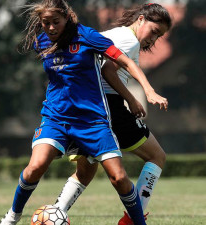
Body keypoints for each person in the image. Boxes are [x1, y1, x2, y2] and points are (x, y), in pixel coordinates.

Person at [0, 0, 157, 224]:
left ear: (67, 19)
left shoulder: (86, 36)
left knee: (119, 178)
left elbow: (125, 61)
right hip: (56, 117)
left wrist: (147, 90)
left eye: (55, 22)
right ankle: (12, 218)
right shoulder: (41, 41)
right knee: (35, 167)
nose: (51, 28)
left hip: (92, 121)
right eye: (46, 23)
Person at [53, 3, 172, 225]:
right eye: (154, 32)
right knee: (157, 156)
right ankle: (132, 219)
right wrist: (132, 98)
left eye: (159, 37)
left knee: (86, 170)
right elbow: (108, 70)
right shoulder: (129, 39)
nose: (153, 40)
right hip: (109, 106)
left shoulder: (112, 34)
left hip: (84, 106)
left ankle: (54, 214)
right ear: (141, 20)